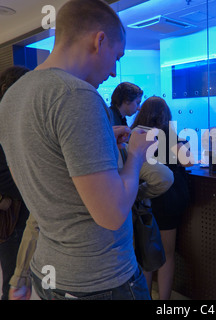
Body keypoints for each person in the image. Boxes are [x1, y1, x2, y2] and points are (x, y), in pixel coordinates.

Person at [0, 0, 156, 300]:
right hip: (100, 280)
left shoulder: (12, 97)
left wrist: (101, 138)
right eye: (116, 57)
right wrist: (136, 153)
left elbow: (43, 175)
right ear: (99, 41)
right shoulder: (77, 95)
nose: (113, 73)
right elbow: (111, 214)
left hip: (49, 272)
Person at [132, 96, 195, 300]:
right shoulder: (168, 132)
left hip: (143, 194)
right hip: (169, 196)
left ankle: (145, 296)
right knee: (167, 255)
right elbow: (188, 162)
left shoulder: (136, 132)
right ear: (165, 114)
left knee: (145, 254)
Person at [0, 65, 30, 300]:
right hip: (14, 217)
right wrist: (35, 184)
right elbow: (3, 175)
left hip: (22, 211)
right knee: (14, 281)